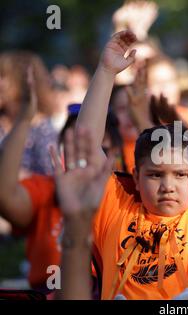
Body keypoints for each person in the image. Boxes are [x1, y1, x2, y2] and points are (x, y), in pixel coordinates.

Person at [56, 28, 188, 300]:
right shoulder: (114, 209)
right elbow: (86, 144)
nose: (168, 186)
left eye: (180, 174)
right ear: (136, 178)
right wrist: (105, 72)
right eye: (155, 175)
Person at [0, 69, 124, 294]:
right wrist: (25, 118)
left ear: (115, 152)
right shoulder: (46, 189)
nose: (86, 156)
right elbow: (5, 195)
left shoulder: (129, 197)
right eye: (74, 145)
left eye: (100, 148)